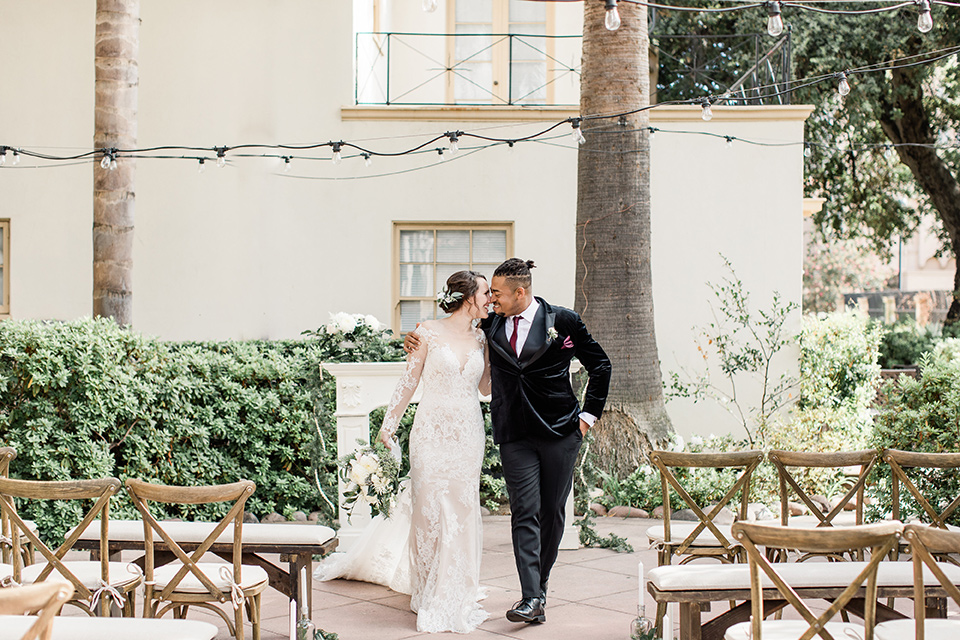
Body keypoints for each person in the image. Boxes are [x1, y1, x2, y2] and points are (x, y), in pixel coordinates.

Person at [404, 258, 611, 625]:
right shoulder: (492, 322)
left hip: (561, 432)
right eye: (490, 295)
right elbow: (453, 327)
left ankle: (540, 586)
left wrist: (586, 419)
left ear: (521, 292)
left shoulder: (562, 321)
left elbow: (600, 366)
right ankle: (530, 597)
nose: (492, 300)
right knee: (524, 512)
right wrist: (414, 337)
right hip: (514, 435)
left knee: (552, 513)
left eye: (497, 293)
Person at [316, 270, 492, 634]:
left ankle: (457, 588)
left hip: (468, 435)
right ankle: (429, 588)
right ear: (467, 297)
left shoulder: (484, 337)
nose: (491, 298)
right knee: (428, 512)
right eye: (486, 293)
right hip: (429, 433)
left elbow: (488, 388)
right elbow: (409, 380)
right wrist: (389, 424)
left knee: (462, 509)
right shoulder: (426, 332)